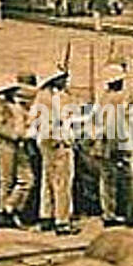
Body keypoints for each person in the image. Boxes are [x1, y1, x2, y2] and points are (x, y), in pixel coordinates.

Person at [95, 62, 133, 227]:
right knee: (126, 179)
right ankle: (129, 214)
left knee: (110, 180)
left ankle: (111, 214)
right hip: (119, 142)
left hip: (111, 142)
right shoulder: (121, 98)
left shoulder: (104, 98)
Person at [33, 64, 79, 235]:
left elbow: (34, 120)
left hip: (45, 142)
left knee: (48, 181)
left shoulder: (40, 97)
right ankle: (62, 220)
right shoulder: (59, 97)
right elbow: (65, 120)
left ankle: (46, 216)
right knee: (63, 183)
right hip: (59, 142)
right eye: (63, 78)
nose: (66, 81)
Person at [0, 75, 34, 228]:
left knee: (27, 180)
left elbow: (27, 122)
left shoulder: (18, 106)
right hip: (5, 145)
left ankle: (9, 206)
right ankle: (5, 214)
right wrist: (13, 134)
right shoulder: (0, 107)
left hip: (19, 145)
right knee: (6, 180)